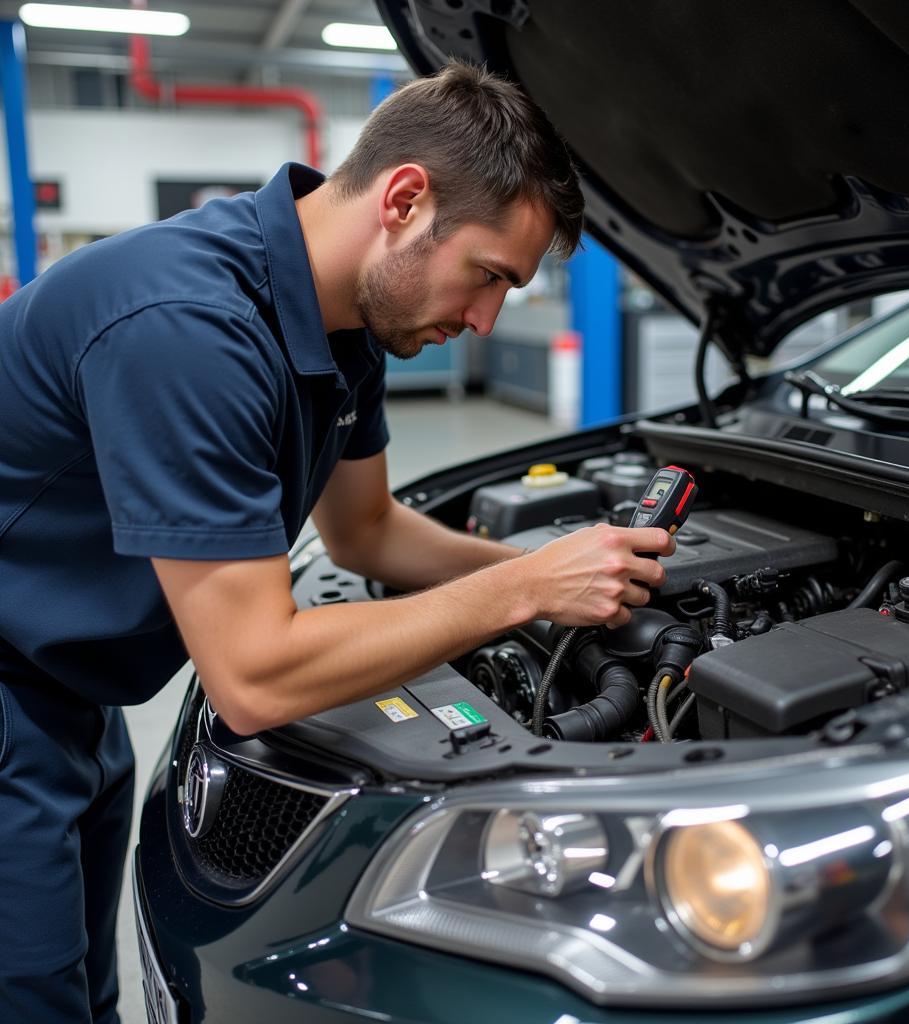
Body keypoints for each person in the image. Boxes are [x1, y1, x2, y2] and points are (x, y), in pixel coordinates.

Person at [0, 60, 673, 1021]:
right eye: (487, 276)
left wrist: (551, 570)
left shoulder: (345, 318)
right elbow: (254, 674)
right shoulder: (193, 328)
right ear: (405, 199)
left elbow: (365, 531)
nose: (485, 319)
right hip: (11, 686)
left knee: (86, 989)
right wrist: (520, 595)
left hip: (74, 687)